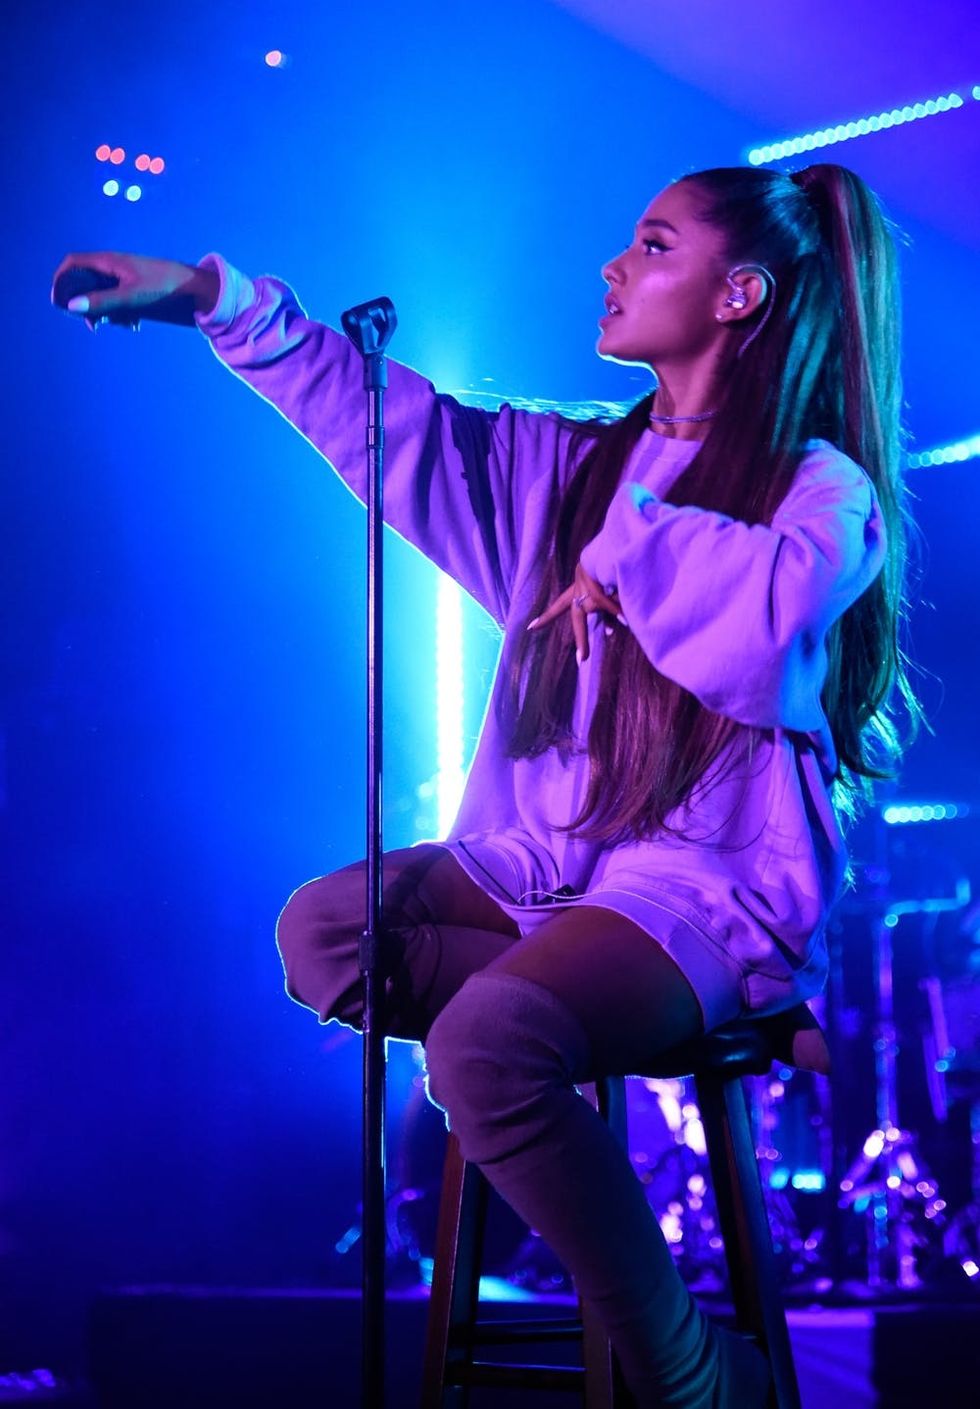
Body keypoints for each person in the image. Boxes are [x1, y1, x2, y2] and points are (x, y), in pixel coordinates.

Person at [52, 162, 917, 1406]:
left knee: (484, 1042)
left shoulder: (817, 490)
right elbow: (387, 423)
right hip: (546, 865)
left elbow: (758, 627)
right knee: (326, 931)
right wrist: (207, 298)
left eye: (652, 245)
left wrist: (629, 544)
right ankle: (554, 1024)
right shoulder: (562, 464)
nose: (613, 266)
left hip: (697, 885)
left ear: (738, 294)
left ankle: (694, 1373)